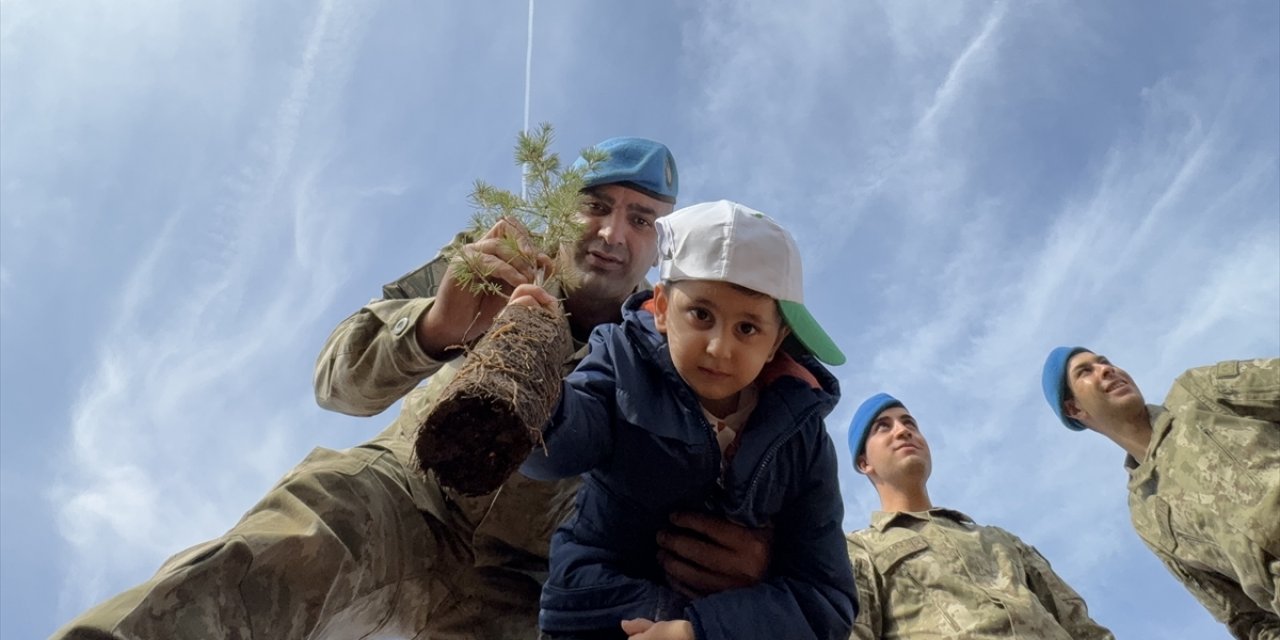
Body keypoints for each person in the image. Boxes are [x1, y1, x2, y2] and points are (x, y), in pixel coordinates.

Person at [53, 137, 774, 639]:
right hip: (403, 496)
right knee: (256, 570)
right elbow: (337, 378)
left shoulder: (679, 337)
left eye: (641, 218)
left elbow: (732, 474)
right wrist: (435, 325)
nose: (612, 232)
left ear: (659, 244)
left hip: (538, 586)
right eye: (596, 204)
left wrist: (757, 571)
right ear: (564, 207)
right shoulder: (492, 262)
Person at [508, 200, 856, 640]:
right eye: (702, 315)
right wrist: (526, 382)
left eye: (747, 328)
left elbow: (825, 599)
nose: (718, 347)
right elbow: (553, 448)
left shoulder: (802, 434)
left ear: (777, 342)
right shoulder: (620, 361)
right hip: (598, 612)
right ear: (661, 308)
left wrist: (700, 631)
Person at [1041, 347, 1279, 639]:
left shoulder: (1199, 394)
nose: (1105, 369)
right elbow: (1247, 619)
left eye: (1104, 361)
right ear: (1075, 409)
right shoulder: (1148, 516)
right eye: (1085, 371)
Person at [844, 392, 1113, 639]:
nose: (903, 431)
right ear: (864, 462)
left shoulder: (999, 540)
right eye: (883, 426)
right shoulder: (862, 550)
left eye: (910, 424)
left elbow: (1081, 624)